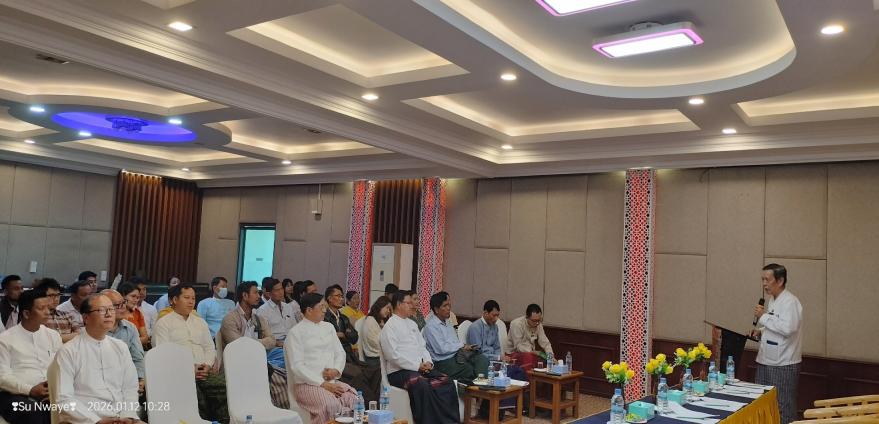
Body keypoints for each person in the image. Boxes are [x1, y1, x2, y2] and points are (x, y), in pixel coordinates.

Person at [56, 294, 141, 423]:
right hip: (87, 419)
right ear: (86, 317)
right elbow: (64, 398)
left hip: (121, 417)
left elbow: (130, 387)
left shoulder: (120, 347)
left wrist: (127, 415)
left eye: (111, 309)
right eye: (101, 310)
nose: (109, 314)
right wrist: (96, 420)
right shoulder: (69, 351)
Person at [152, 284, 228, 423]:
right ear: (174, 300)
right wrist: (188, 369)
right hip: (178, 374)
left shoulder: (200, 322)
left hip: (204, 371)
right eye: (186, 298)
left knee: (226, 388)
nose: (191, 301)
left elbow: (209, 348)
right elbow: (162, 355)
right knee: (197, 397)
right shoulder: (163, 323)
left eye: (193, 298)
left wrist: (207, 365)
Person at [380, 291, 459, 424]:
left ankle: (449, 421)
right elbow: (393, 356)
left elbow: (422, 347)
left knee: (446, 381)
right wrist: (417, 366)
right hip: (398, 372)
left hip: (419, 369)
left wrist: (428, 362)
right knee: (422, 384)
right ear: (399, 304)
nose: (413, 305)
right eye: (409, 303)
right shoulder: (390, 326)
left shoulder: (412, 324)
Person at [286, 293, 358, 424]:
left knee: (354, 399)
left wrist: (336, 370)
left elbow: (340, 353)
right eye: (321, 307)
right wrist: (322, 384)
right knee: (330, 405)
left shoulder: (328, 327)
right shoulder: (295, 333)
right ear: (309, 310)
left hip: (332, 381)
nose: (325, 310)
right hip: (307, 385)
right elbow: (297, 366)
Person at [220, 281, 289, 408]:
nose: (259, 296)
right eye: (255, 293)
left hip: (258, 360)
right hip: (238, 364)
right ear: (245, 296)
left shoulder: (258, 318)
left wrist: (252, 343)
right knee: (276, 377)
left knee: (285, 368)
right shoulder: (230, 319)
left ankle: (278, 410)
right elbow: (239, 346)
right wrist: (258, 344)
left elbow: (272, 340)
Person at [0, 289, 62, 424]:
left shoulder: (53, 336)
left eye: (48, 307)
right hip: (15, 394)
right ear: (26, 314)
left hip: (50, 391)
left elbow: (62, 367)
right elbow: (2, 377)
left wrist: (55, 389)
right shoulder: (4, 339)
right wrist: (30, 390)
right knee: (33, 412)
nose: (48, 312)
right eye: (41, 308)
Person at [752, 263, 803, 424]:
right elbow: (775, 324)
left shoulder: (790, 302)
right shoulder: (772, 300)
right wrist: (761, 331)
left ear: (780, 281)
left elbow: (789, 328)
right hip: (766, 361)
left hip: (783, 364)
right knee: (763, 404)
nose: (764, 284)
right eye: (762, 279)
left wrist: (763, 316)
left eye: (767, 280)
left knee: (782, 407)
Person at [324, 284, 381, 403]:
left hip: (350, 356)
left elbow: (354, 337)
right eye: (338, 296)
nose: (341, 299)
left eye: (342, 296)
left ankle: (373, 401)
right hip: (335, 359)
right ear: (329, 298)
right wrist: (343, 335)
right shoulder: (324, 317)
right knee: (358, 374)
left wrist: (343, 335)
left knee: (377, 370)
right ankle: (369, 402)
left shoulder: (343, 318)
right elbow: (328, 338)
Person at [423, 291, 488, 385]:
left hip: (457, 355)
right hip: (443, 362)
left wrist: (464, 347)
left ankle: (481, 388)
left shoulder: (448, 322)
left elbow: (455, 342)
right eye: (445, 305)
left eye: (449, 305)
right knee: (469, 369)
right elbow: (441, 349)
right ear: (436, 309)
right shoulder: (431, 327)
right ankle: (479, 389)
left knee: (482, 359)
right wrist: (461, 345)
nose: (449, 308)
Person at [102, 290, 146, 396]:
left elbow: (137, 358)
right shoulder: (96, 328)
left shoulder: (130, 328)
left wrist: (140, 379)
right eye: (117, 305)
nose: (123, 308)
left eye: (123, 303)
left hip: (126, 381)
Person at [505, 303, 553, 369]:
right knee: (529, 357)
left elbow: (545, 342)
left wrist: (550, 357)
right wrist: (533, 352)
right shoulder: (517, 324)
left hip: (531, 353)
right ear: (527, 317)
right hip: (513, 354)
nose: (537, 323)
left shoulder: (538, 324)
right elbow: (518, 346)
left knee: (545, 360)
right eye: (534, 321)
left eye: (539, 320)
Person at [256, 277, 300, 345]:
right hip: (275, 344)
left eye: (281, 289)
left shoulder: (288, 307)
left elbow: (294, 327)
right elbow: (263, 335)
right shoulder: (263, 310)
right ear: (269, 293)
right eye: (277, 290)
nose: (281, 292)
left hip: (290, 341)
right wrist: (276, 343)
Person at [36, 278, 80, 342]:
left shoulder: (67, 315)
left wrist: (55, 338)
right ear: (40, 296)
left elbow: (80, 336)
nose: (56, 299)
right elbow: (44, 340)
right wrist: (70, 336)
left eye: (58, 295)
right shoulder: (37, 317)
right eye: (51, 295)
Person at [361, 296, 391, 367]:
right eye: (387, 308)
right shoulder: (370, 321)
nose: (388, 311)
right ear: (380, 306)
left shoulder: (380, 321)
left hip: (381, 358)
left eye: (389, 309)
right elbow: (376, 343)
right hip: (374, 360)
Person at [120, 283, 150, 348]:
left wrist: (128, 342)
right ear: (123, 296)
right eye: (133, 296)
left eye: (137, 297)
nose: (136, 300)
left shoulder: (138, 313)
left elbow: (145, 338)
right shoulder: (114, 313)